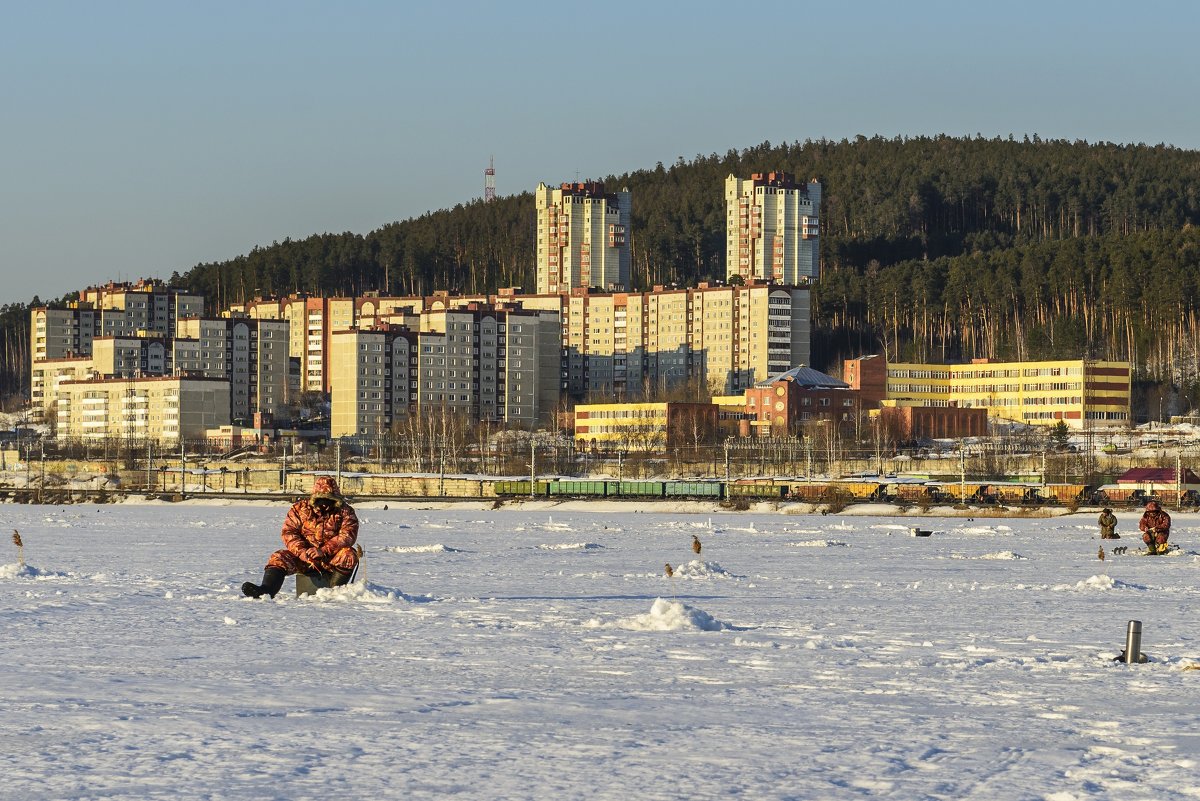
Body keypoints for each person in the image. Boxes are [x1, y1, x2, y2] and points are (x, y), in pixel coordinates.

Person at [242, 476, 360, 598]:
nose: (325, 505)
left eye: (329, 500)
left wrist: (323, 550)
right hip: (304, 559)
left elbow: (348, 535)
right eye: (321, 500)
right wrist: (302, 552)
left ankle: (333, 593)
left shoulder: (345, 511)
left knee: (349, 555)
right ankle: (266, 591)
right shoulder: (299, 509)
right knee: (278, 557)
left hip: (330, 559)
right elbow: (289, 532)